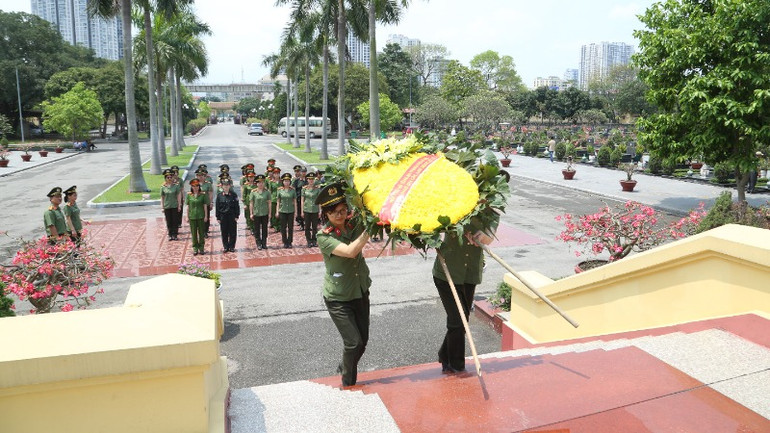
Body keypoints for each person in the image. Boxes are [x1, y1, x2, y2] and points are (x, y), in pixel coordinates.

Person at [316, 183, 371, 386]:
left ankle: (345, 364)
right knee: (353, 342)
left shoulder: (353, 224)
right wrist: (369, 230)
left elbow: (368, 210)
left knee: (362, 343)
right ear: (326, 215)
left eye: (342, 210)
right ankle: (348, 381)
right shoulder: (323, 236)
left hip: (359, 290)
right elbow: (350, 251)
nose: (340, 215)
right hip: (338, 298)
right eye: (334, 213)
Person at [432, 215, 498, 373]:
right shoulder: (455, 203)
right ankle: (457, 365)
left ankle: (444, 353)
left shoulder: (491, 211)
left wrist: (480, 237)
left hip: (470, 274)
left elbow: (489, 238)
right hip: (447, 271)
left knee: (463, 319)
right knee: (457, 320)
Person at [215, 178, 240, 253]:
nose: (226, 187)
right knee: (224, 232)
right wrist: (218, 217)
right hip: (223, 216)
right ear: (222, 186)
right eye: (224, 185)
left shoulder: (233, 195)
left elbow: (237, 206)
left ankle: (232, 246)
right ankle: (225, 246)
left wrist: (237, 216)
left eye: (227, 185)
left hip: (232, 216)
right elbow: (217, 207)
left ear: (230, 186)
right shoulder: (219, 196)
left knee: (232, 232)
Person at [186, 178, 209, 255]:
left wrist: (206, 216)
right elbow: (188, 206)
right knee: (194, 233)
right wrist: (187, 216)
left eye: (197, 186)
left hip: (200, 216)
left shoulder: (203, 195)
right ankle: (195, 248)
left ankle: (201, 248)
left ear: (199, 186)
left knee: (201, 233)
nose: (195, 188)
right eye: (193, 186)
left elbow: (205, 206)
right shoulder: (189, 195)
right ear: (191, 187)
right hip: (192, 216)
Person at [250, 174, 271, 250]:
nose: (260, 184)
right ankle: (258, 243)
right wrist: (251, 213)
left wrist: (270, 213)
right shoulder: (253, 192)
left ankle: (264, 243)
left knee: (265, 229)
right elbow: (251, 203)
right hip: (257, 213)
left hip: (265, 213)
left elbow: (269, 203)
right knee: (257, 229)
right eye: (259, 183)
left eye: (262, 182)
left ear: (264, 183)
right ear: (256, 183)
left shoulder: (267, 192)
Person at [275, 172, 296, 248]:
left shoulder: (293, 190)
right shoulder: (279, 190)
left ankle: (290, 242)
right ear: (282, 182)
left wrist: (296, 212)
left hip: (290, 211)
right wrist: (277, 211)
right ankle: (285, 241)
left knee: (290, 227)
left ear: (290, 182)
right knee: (283, 227)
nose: (287, 183)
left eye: (288, 181)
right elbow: (278, 201)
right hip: (282, 211)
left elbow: (294, 201)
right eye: (285, 181)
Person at [160, 169, 182, 241]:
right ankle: (170, 234)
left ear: (173, 178)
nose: (169, 179)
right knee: (169, 221)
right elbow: (162, 197)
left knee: (175, 221)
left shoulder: (176, 186)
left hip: (174, 205)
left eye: (170, 177)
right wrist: (162, 207)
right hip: (167, 206)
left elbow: (178, 196)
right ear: (165, 178)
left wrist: (179, 205)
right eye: (167, 177)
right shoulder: (163, 187)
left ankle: (175, 234)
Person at [300, 172, 321, 247]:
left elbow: (319, 201)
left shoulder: (317, 189)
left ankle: (314, 240)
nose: (311, 181)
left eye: (312, 179)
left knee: (315, 227)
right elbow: (302, 200)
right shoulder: (304, 189)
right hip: (307, 210)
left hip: (315, 210)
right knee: (307, 227)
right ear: (307, 180)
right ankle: (309, 241)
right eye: (309, 179)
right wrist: (302, 211)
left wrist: (320, 211)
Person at [196, 168, 214, 237]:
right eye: (199, 175)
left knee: (206, 217)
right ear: (197, 176)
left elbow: (210, 194)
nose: (200, 177)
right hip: (198, 203)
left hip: (206, 203)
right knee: (198, 217)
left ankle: (205, 231)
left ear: (204, 176)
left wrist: (211, 202)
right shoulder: (195, 184)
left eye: (202, 175)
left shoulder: (208, 184)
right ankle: (200, 231)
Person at [293, 165, 307, 231]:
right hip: (299, 198)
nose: (303, 173)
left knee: (307, 211)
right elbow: (294, 190)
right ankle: (301, 224)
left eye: (304, 172)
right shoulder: (297, 181)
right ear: (300, 172)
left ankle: (307, 224)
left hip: (307, 199)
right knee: (299, 212)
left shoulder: (308, 180)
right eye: (302, 172)